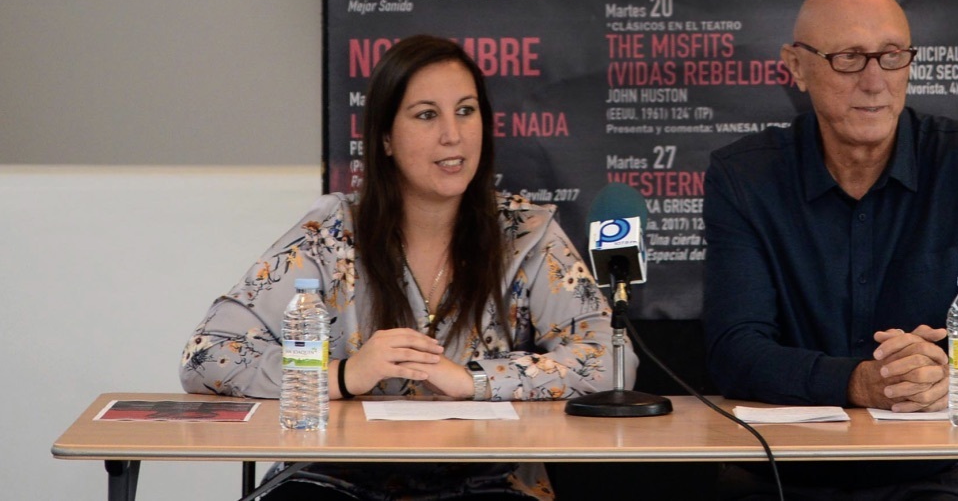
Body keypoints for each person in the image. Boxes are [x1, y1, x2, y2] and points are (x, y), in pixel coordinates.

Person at [180, 34, 635, 501]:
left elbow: (610, 361)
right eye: (426, 115)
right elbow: (207, 354)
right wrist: (343, 374)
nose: (452, 135)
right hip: (337, 478)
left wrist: (474, 380)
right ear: (385, 139)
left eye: (465, 111)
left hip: (486, 482)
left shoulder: (525, 232)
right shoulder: (331, 233)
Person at [702, 0, 958, 499]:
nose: (874, 82)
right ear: (796, 66)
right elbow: (734, 351)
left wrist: (950, 376)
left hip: (932, 475)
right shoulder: (744, 177)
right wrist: (861, 381)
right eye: (848, 58)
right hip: (782, 476)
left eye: (891, 57)